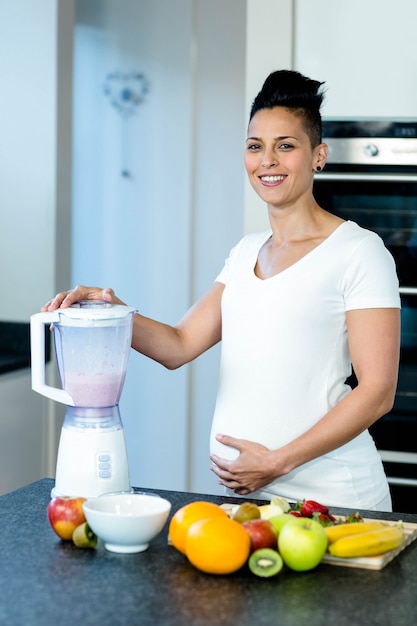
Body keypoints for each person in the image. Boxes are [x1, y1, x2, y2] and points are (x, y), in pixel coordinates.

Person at [43, 70, 400, 511]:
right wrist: (114, 312)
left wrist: (277, 461)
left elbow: (378, 391)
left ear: (318, 156)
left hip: (334, 498)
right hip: (247, 500)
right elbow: (179, 345)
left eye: (285, 146)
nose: (267, 160)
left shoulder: (359, 251)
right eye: (255, 147)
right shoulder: (245, 251)